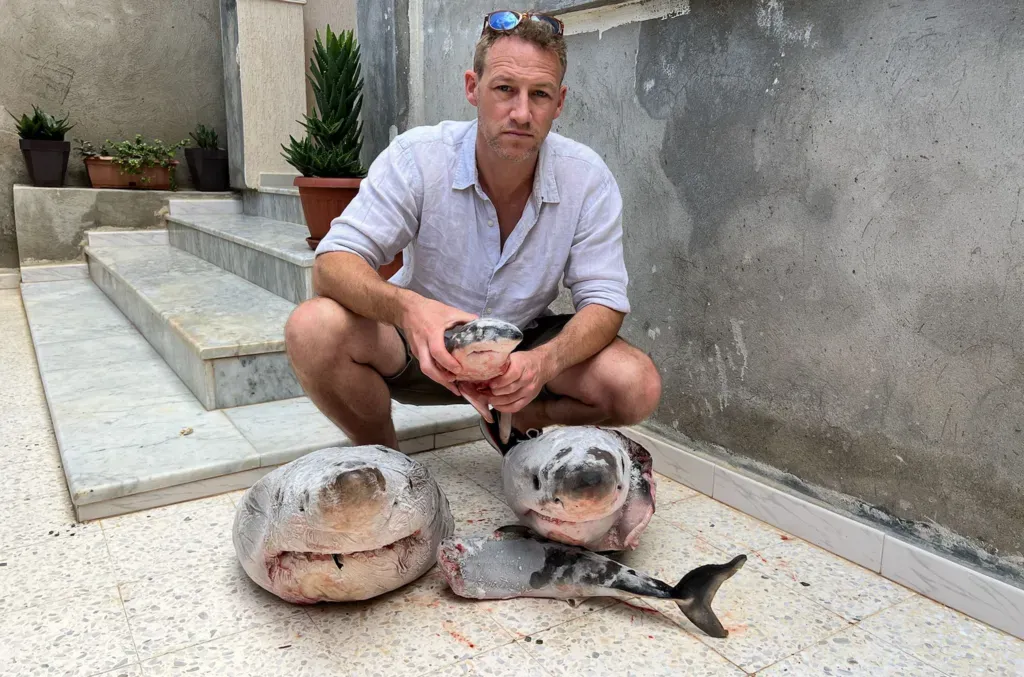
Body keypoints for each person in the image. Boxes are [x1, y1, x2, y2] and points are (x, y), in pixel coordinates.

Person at [284, 9, 661, 454]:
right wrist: (410, 311)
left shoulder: (587, 177)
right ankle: (386, 460)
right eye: (504, 89)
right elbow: (332, 263)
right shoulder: (418, 158)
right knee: (312, 328)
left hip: (521, 345)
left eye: (539, 94)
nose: (521, 112)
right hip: (419, 348)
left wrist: (544, 362)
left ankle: (519, 416)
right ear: (472, 88)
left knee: (635, 385)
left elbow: (605, 300)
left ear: (559, 103)